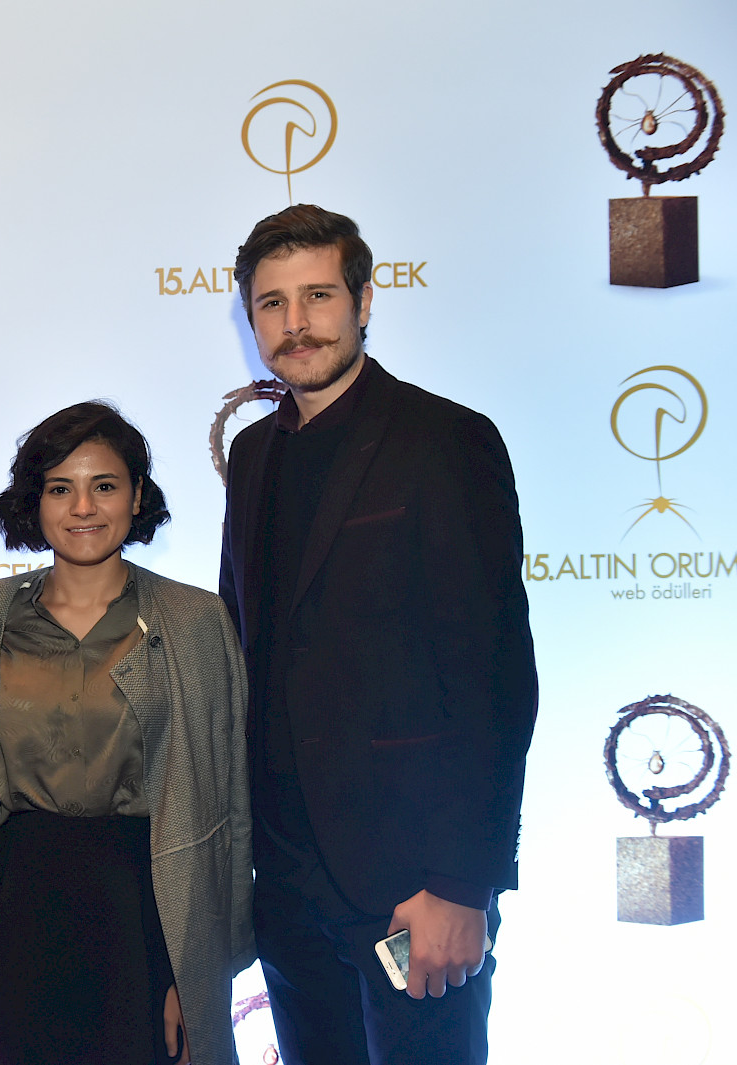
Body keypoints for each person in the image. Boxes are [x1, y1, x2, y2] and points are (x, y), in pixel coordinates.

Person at [217, 204, 538, 1065]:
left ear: (363, 301)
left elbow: (496, 676)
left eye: (318, 296)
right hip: (287, 885)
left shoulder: (447, 439)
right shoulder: (252, 456)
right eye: (272, 304)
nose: (296, 323)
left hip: (413, 885)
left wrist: (463, 881)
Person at [0, 402, 252, 1065]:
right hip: (15, 905)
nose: (83, 507)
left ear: (137, 495)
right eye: (59, 488)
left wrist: (197, 971)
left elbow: (228, 806)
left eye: (104, 485)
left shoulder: (195, 619)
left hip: (146, 906)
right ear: (34, 501)